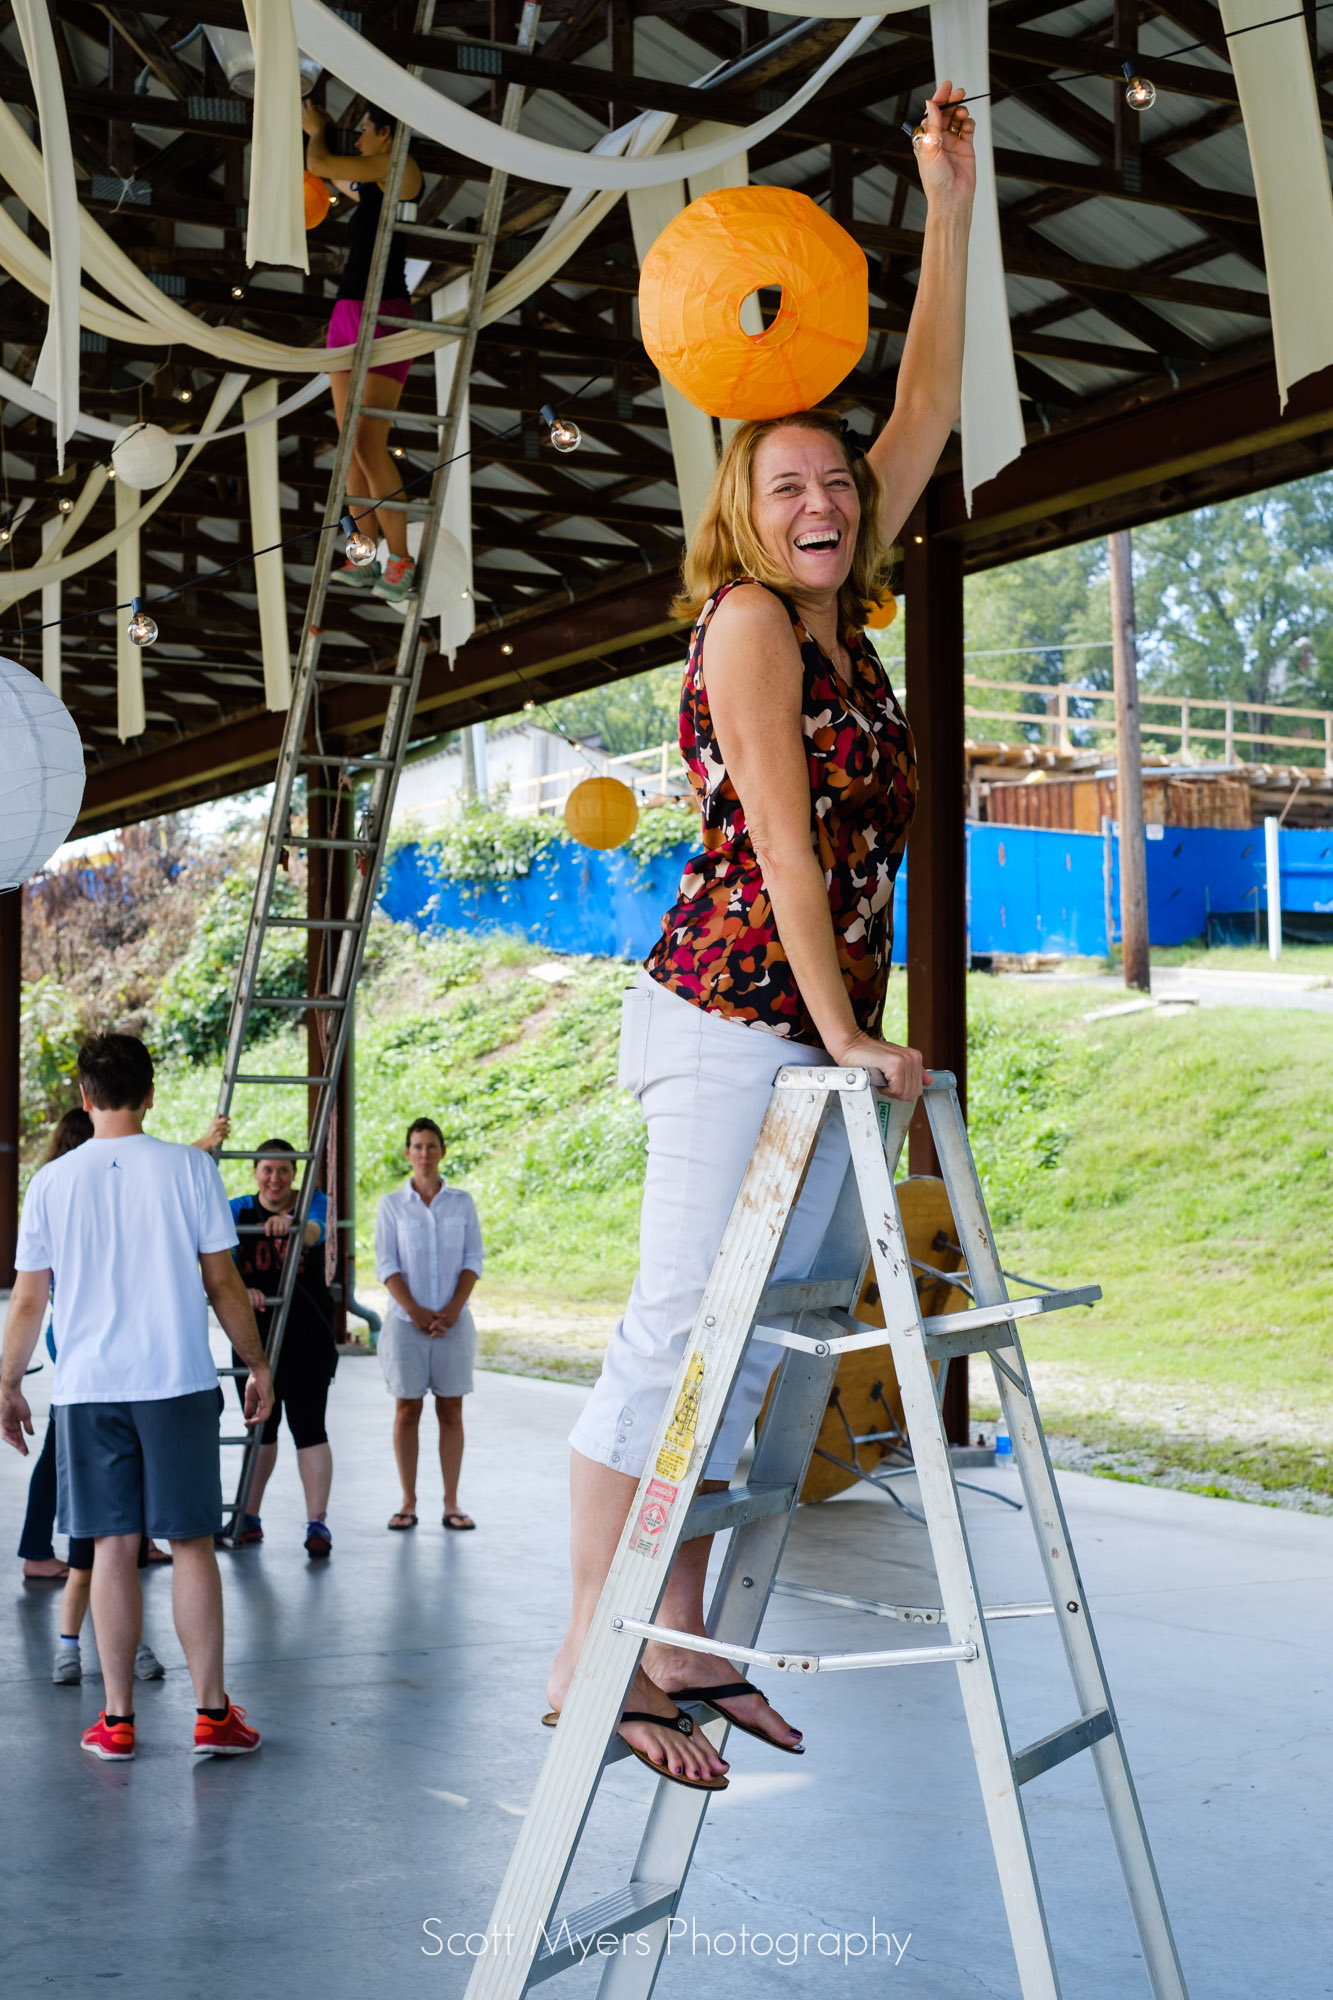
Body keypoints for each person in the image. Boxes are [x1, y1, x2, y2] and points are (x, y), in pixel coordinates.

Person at [544, 83, 975, 1792]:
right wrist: (849, 1033)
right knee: (667, 1330)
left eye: (836, 483)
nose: (822, 498)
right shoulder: (745, 625)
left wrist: (945, 207)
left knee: (741, 1361)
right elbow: (789, 863)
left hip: (792, 1034)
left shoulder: (842, 615)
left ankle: (691, 1655)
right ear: (744, 508)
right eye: (787, 481)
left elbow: (927, 398)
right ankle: (600, 1656)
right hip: (731, 1017)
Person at [0, 1034, 274, 1763]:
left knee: (112, 1547)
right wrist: (256, 1364)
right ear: (150, 1093)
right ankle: (212, 1715)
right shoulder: (190, 1169)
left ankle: (118, 1722)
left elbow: (30, 1301)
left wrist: (6, 1383)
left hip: (90, 1389)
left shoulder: (51, 1183)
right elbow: (221, 1283)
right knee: (189, 1544)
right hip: (177, 1379)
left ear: (86, 1098)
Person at [302, 98, 424, 604]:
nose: (359, 139)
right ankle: (365, 547)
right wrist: (316, 134)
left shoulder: (401, 169)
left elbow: (323, 165)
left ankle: (399, 557)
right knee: (349, 440)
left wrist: (317, 130)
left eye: (366, 130)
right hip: (350, 309)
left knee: (370, 441)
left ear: (388, 135)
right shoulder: (373, 178)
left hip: (386, 311)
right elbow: (334, 178)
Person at [226, 1139, 336, 1558]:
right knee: (261, 1429)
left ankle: (317, 1524)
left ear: (295, 1175)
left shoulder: (313, 1201)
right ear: (255, 1172)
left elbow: (313, 1231)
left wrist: (290, 1224)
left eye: (284, 1171)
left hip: (307, 1337)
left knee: (310, 1430)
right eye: (267, 1170)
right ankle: (248, 1518)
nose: (275, 1179)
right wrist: (244, 1290)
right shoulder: (237, 1210)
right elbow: (220, 1266)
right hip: (255, 1343)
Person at [374, 1118, 483, 1533]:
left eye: (431, 1146)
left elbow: (474, 1259)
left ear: (442, 1151)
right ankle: (407, 1502)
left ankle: (452, 1503)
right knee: (407, 1410)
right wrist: (416, 1311)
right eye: (416, 1147)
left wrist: (453, 1309)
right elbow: (386, 1263)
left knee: (451, 1411)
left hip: (453, 1323)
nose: (424, 1154)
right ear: (407, 1153)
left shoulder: (462, 1203)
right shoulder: (391, 1206)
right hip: (406, 1324)